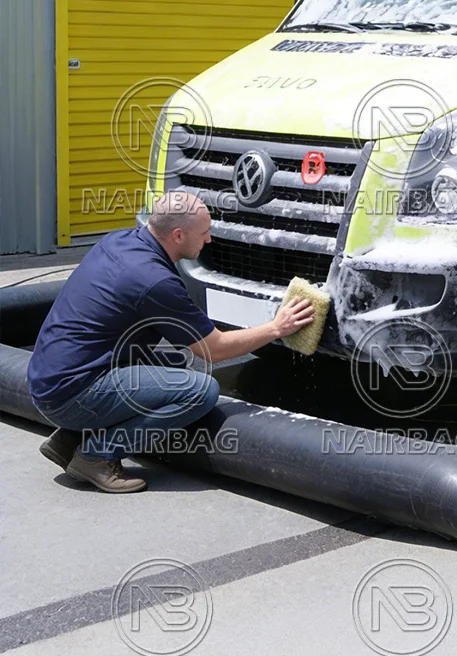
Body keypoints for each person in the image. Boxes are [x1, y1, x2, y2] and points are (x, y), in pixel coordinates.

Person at [27, 191, 313, 493]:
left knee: (174, 362)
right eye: (204, 233)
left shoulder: (119, 242)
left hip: (48, 378)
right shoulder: (155, 281)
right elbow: (214, 350)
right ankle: (96, 454)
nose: (209, 240)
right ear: (178, 235)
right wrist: (277, 328)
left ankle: (68, 439)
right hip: (69, 394)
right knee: (201, 391)